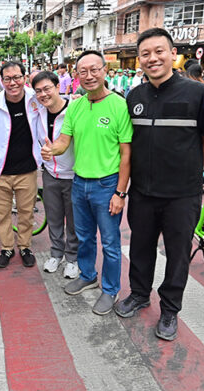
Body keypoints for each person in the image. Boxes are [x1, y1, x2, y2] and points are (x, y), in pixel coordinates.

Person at [116, 27, 204, 341]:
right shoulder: (134, 96)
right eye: (145, 53)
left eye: (159, 51)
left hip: (182, 195)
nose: (152, 58)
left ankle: (171, 309)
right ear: (140, 60)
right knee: (141, 247)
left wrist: (190, 171)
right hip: (143, 192)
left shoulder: (197, 92)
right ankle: (139, 294)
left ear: (174, 54)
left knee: (177, 254)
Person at [41, 50, 132, 315]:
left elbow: (127, 153)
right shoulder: (77, 106)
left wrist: (120, 192)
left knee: (111, 243)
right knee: (84, 237)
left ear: (105, 70)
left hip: (107, 185)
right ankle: (88, 274)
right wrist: (52, 150)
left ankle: (110, 289)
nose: (89, 76)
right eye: (83, 71)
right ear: (76, 75)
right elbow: (63, 142)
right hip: (79, 183)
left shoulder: (118, 105)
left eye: (94, 70)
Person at [0, 61, 41, 269]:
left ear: (24, 77)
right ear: (1, 81)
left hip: (27, 170)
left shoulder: (35, 99)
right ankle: (7, 248)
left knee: (26, 212)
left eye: (17, 77)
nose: (13, 83)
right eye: (8, 79)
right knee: (2, 214)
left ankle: (25, 246)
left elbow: (57, 101)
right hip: (0, 171)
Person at [32, 71, 79, 279]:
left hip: (74, 175)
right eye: (38, 91)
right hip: (50, 173)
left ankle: (72, 258)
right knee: (54, 217)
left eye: (47, 88)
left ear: (57, 86)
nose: (43, 94)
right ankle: (56, 254)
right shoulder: (37, 112)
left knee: (74, 220)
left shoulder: (75, 108)